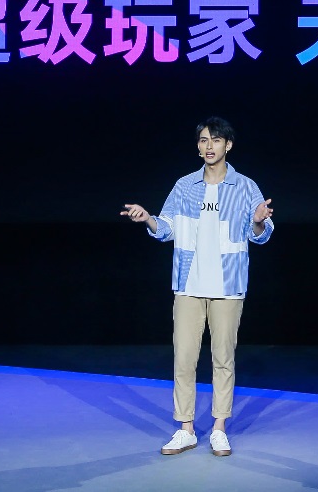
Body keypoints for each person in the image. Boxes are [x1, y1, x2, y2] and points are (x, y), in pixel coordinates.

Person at [121, 116, 275, 457]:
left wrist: (257, 221)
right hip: (188, 285)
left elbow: (260, 235)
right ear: (198, 146)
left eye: (216, 140)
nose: (209, 146)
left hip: (228, 286)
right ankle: (186, 429)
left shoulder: (245, 187)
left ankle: (219, 429)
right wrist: (148, 219)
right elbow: (166, 228)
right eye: (204, 140)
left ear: (227, 145)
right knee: (184, 359)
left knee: (223, 359)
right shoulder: (184, 186)